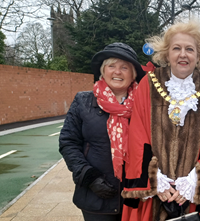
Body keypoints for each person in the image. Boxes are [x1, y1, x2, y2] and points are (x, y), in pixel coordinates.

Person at [121, 20, 200, 221]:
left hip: (193, 191)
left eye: (190, 49)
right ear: (167, 53)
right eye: (176, 48)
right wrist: (154, 179)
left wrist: (194, 181)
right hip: (156, 191)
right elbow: (137, 134)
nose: (183, 54)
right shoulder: (148, 84)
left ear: (198, 55)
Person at [59, 42, 145, 221]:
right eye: (111, 66)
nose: (117, 72)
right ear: (103, 70)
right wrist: (89, 177)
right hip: (97, 196)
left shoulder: (145, 104)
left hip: (138, 196)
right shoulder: (83, 101)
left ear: (133, 74)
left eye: (124, 67)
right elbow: (68, 142)